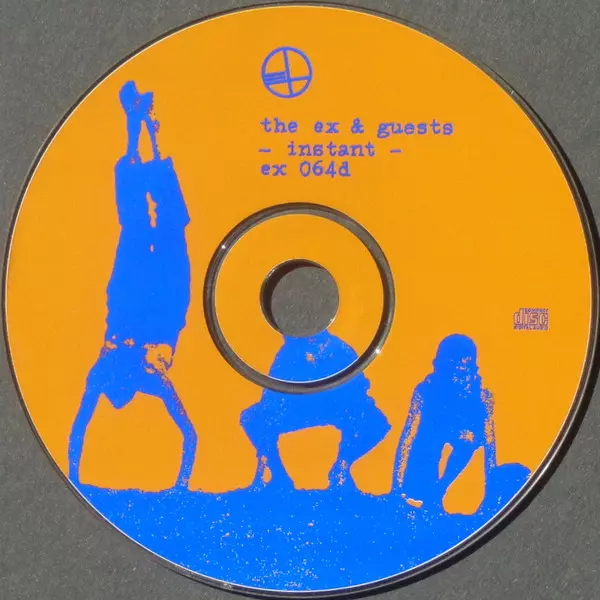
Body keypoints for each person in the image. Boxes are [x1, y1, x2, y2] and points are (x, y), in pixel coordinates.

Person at [68, 81, 197, 488]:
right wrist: (180, 486)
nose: (117, 391)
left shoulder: (110, 375)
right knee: (160, 221)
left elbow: (79, 429)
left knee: (143, 222)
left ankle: (137, 124)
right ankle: (147, 129)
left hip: (136, 296)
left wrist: (74, 476)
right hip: (161, 297)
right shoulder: (150, 378)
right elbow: (189, 434)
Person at [241, 330, 391, 490]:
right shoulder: (288, 353)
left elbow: (359, 388)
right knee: (252, 418)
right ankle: (278, 475)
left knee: (376, 422)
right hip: (298, 410)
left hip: (337, 408)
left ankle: (342, 468)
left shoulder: (339, 349)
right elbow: (271, 395)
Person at [392, 334, 496, 507]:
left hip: (463, 433)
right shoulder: (425, 390)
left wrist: (491, 497)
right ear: (437, 368)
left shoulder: (483, 397)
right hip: (433, 432)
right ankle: (430, 493)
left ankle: (438, 492)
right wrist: (396, 488)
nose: (455, 379)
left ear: (473, 371)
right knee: (415, 490)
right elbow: (408, 438)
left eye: (461, 373)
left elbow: (490, 447)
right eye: (449, 372)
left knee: (468, 438)